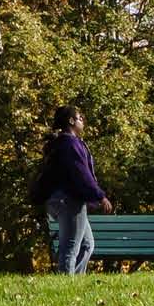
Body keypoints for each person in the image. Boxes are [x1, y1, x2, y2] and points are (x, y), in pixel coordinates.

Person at [32, 103, 112, 275]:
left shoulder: (63, 143)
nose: (82, 120)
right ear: (71, 121)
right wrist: (99, 196)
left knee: (86, 244)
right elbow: (81, 174)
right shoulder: (69, 144)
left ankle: (74, 283)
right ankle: (65, 287)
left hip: (62, 200)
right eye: (79, 117)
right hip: (69, 201)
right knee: (70, 248)